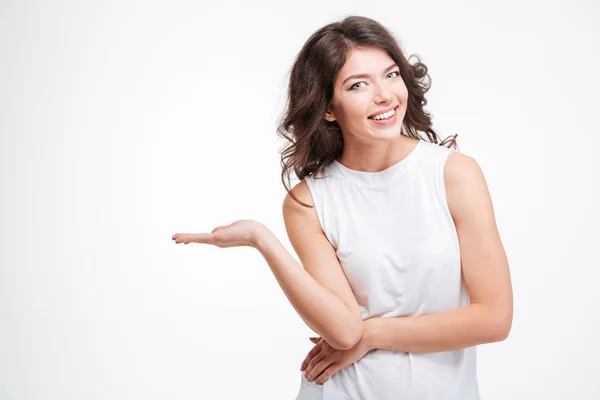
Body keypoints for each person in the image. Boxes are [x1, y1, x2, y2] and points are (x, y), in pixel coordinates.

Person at [172, 15, 513, 400]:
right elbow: (345, 331)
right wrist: (260, 239)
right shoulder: (309, 202)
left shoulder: (453, 174)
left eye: (390, 75)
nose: (384, 96)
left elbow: (494, 318)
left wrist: (374, 334)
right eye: (358, 85)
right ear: (329, 108)